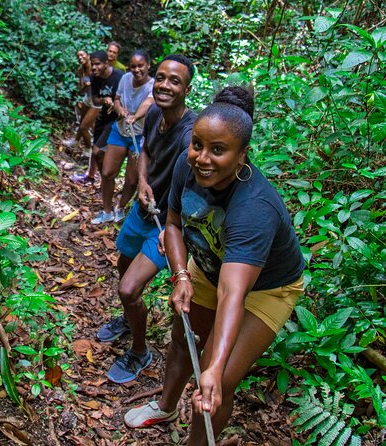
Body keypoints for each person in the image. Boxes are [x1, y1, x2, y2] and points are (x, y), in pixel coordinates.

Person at [123, 86, 305, 445]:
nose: (202, 158)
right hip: (208, 266)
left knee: (216, 378)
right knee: (182, 339)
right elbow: (173, 225)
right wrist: (181, 275)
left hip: (265, 289)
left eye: (218, 150)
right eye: (197, 145)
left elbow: (232, 294)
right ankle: (165, 406)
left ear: (242, 156)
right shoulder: (186, 165)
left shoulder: (255, 207)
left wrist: (214, 368)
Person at [95, 54, 197, 384]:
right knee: (124, 263)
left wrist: (174, 228)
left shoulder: (190, 135)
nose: (166, 85)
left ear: (187, 88)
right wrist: (142, 181)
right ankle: (130, 319)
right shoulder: (154, 113)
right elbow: (147, 153)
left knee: (128, 288)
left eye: (175, 81)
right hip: (143, 210)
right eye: (162, 78)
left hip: (167, 225)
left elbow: (194, 190)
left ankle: (140, 351)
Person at [91, 50, 154, 225]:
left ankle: (120, 206)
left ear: (148, 65)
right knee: (107, 172)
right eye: (133, 66)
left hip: (139, 136)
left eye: (140, 65)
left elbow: (148, 103)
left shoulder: (152, 85)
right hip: (119, 130)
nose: (136, 69)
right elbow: (117, 98)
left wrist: (135, 117)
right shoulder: (125, 79)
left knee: (132, 180)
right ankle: (106, 211)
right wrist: (120, 110)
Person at [70, 50, 123, 186]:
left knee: (98, 151)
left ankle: (107, 182)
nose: (94, 68)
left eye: (97, 64)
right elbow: (95, 99)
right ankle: (93, 177)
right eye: (92, 64)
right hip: (103, 116)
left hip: (116, 119)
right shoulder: (94, 77)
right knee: (96, 148)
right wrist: (104, 100)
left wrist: (115, 103)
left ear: (106, 63)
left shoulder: (119, 77)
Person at [64, 50, 101, 155]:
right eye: (78, 56)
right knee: (81, 122)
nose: (80, 57)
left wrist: (90, 84)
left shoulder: (95, 68)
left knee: (84, 127)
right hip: (87, 98)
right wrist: (86, 86)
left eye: (82, 55)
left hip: (96, 101)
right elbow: (81, 89)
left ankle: (89, 149)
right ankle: (75, 141)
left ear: (88, 56)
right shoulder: (81, 70)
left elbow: (100, 85)